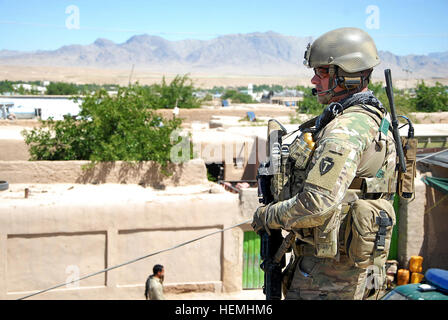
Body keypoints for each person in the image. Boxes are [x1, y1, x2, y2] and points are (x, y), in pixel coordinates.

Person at [252, 27, 398, 300]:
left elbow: (317, 204)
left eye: (321, 72)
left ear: (346, 74)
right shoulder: (375, 117)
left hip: (328, 280)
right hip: (350, 273)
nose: (313, 79)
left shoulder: (346, 130)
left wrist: (266, 216)